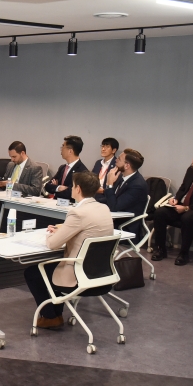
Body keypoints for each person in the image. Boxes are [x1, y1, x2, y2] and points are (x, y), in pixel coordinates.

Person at [23, 171, 114, 329]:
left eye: (72, 186)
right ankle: (56, 315)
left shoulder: (77, 213)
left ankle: (50, 316)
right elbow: (86, 230)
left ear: (78, 189)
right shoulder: (104, 208)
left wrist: (51, 234)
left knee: (33, 273)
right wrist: (63, 230)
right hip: (100, 273)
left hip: (78, 274)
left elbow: (53, 244)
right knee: (54, 268)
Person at [102, 148, 148, 235]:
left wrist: (109, 184)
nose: (116, 160)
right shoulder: (121, 176)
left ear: (127, 166)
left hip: (125, 227)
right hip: (114, 222)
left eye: (119, 159)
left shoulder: (137, 185)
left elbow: (114, 207)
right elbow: (111, 199)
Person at [44, 135, 88, 201]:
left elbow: (71, 193)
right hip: (56, 203)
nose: (61, 149)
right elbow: (47, 186)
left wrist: (55, 190)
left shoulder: (82, 171)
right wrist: (59, 187)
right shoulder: (62, 168)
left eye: (63, 146)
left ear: (70, 151)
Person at [93, 137, 119, 202]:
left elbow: (116, 187)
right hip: (93, 194)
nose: (103, 149)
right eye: (102, 146)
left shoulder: (117, 165)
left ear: (114, 150)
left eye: (107, 147)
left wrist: (104, 190)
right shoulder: (98, 163)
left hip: (106, 197)